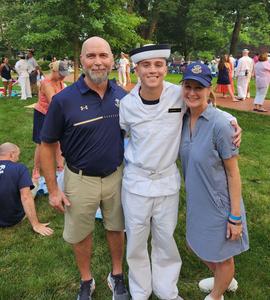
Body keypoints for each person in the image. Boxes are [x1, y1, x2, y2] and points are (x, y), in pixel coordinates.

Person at [119, 45, 241, 300]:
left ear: (165, 68)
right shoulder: (127, 104)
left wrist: (232, 121)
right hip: (136, 182)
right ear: (137, 69)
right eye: (146, 65)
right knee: (136, 242)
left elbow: (205, 108)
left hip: (167, 182)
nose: (153, 70)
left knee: (165, 240)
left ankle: (166, 290)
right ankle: (140, 291)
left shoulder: (178, 94)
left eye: (158, 65)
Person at [40, 36, 129, 300]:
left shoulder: (123, 97)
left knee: (116, 228)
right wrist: (54, 190)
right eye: (91, 56)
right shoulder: (63, 100)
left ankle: (117, 275)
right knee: (81, 233)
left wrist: (226, 120)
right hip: (79, 179)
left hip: (116, 175)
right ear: (81, 60)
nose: (98, 62)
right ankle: (86, 280)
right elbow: (47, 145)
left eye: (103, 56)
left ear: (112, 60)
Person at [179, 62, 249, 300]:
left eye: (198, 87)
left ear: (209, 89)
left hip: (220, 202)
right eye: (187, 86)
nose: (192, 92)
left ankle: (217, 294)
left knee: (223, 255)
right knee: (196, 245)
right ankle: (224, 277)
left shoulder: (221, 125)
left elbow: (233, 173)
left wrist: (235, 216)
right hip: (198, 198)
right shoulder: (182, 116)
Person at [0, 142, 53, 236]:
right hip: (12, 219)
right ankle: (35, 181)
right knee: (31, 189)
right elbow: (26, 197)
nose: (18, 158)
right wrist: (36, 224)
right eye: (18, 155)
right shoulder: (19, 168)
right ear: (11, 154)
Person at [32, 60, 69, 180]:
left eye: (64, 73)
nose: (63, 76)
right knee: (41, 143)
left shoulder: (60, 82)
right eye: (61, 73)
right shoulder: (46, 83)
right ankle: (36, 169)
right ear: (54, 70)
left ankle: (59, 166)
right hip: (43, 114)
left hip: (56, 115)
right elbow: (54, 102)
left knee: (58, 141)